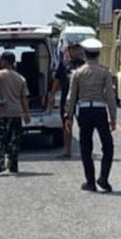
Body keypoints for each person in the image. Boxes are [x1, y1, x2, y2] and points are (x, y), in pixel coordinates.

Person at [66, 38, 116, 192]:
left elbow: (71, 96)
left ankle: (90, 181)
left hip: (84, 111)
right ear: (98, 54)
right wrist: (113, 117)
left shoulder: (78, 73)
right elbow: (110, 96)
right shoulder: (104, 72)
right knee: (108, 145)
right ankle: (103, 178)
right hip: (100, 110)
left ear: (85, 54)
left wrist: (68, 116)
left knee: (86, 146)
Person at [0, 51, 30, 176]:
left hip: (0, 113)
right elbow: (24, 98)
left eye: (1, 60)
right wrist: (26, 113)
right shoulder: (20, 78)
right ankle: (13, 165)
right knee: (14, 140)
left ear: (5, 61)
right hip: (16, 113)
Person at [47, 43, 87, 158]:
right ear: (69, 50)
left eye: (78, 49)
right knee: (66, 124)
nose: (76, 51)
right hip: (67, 99)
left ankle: (85, 149)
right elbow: (57, 80)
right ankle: (67, 150)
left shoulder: (84, 65)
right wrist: (52, 94)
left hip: (81, 99)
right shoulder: (64, 64)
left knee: (84, 126)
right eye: (73, 49)